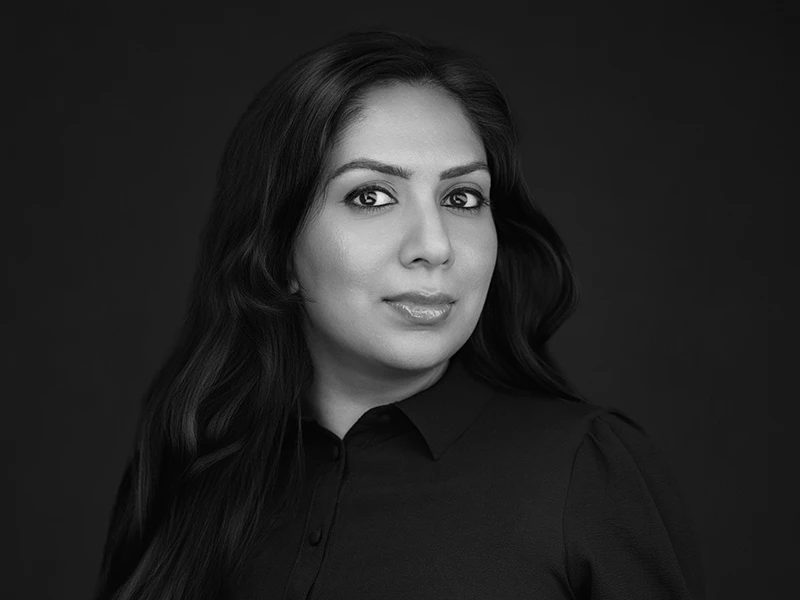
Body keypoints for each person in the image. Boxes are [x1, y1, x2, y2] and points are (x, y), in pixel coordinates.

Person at [93, 30, 706, 600]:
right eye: (371, 196)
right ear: (278, 250)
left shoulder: (586, 469)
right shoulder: (195, 466)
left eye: (463, 198)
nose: (435, 245)